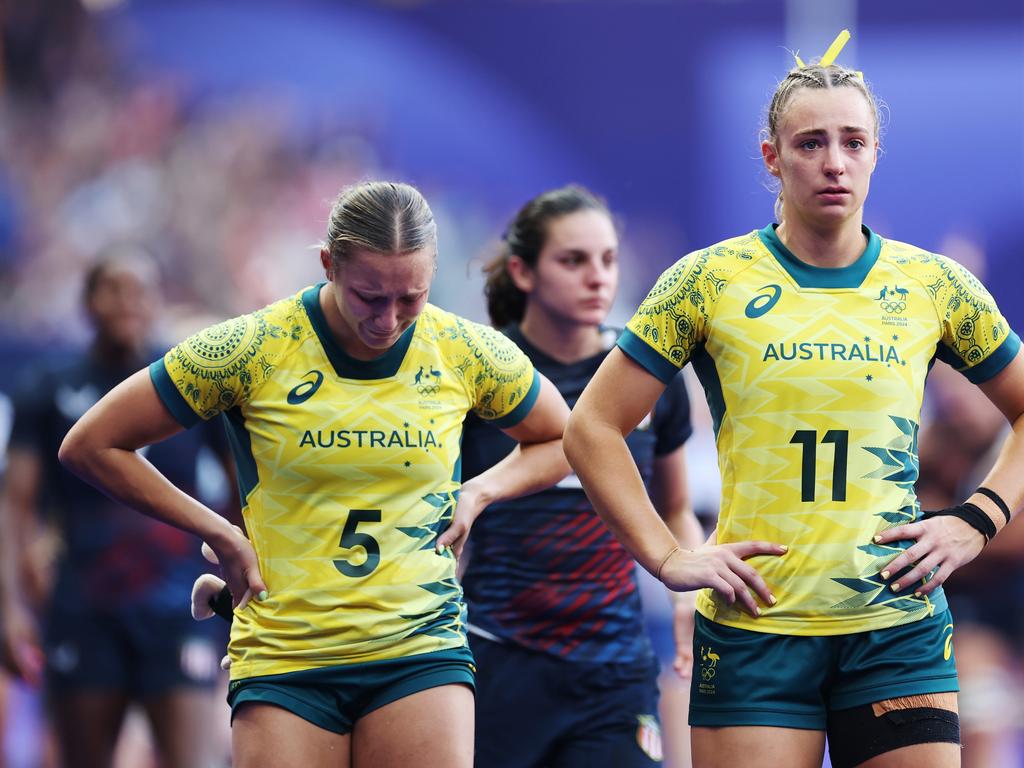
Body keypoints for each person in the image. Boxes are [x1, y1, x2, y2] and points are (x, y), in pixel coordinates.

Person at [562, 30, 1024, 768]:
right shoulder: (707, 282)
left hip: (895, 628)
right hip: (756, 629)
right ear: (771, 157)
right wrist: (669, 557)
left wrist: (978, 519)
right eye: (810, 143)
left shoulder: (933, 285)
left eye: (853, 141)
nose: (834, 162)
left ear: (876, 152)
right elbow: (591, 427)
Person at [57, 181, 571, 768]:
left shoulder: (464, 349)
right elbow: (91, 444)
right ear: (329, 264)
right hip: (287, 654)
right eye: (368, 296)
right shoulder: (251, 346)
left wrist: (481, 490)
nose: (389, 319)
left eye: (411, 297)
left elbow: (566, 437)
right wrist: (220, 532)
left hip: (419, 648)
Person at [459, 185, 704, 767]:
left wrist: (688, 591)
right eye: (573, 260)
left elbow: (675, 508)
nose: (598, 278)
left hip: (613, 671)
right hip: (497, 660)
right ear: (522, 271)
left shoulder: (647, 373)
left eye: (608, 259)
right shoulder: (478, 375)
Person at [0, 252, 233, 768]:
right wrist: (11, 609)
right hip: (84, 607)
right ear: (88, 303)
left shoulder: (193, 387)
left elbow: (245, 493)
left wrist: (240, 578)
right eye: (114, 290)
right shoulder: (47, 388)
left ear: (157, 303)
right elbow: (14, 508)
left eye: (141, 292)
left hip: (179, 608)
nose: (128, 303)